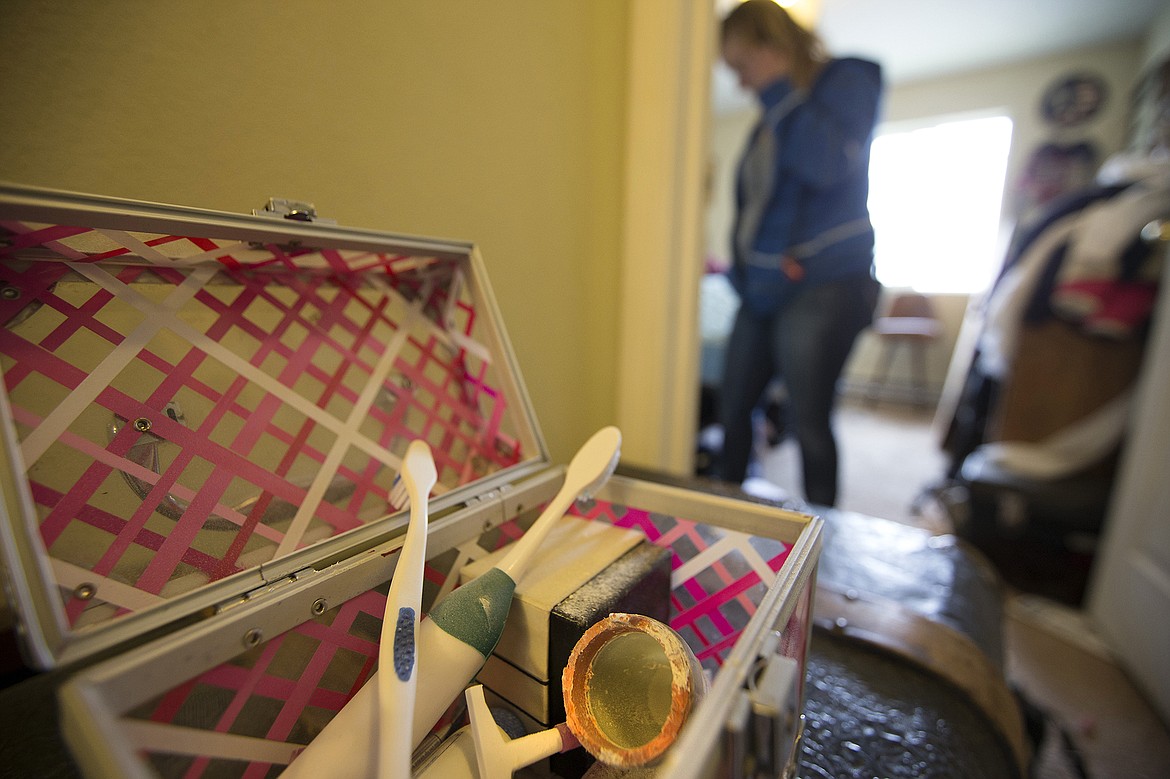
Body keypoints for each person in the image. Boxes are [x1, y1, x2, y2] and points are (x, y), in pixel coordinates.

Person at [715, 0, 883, 506]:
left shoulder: (849, 80)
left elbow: (829, 163)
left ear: (771, 46)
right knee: (732, 410)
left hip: (825, 283)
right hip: (761, 290)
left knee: (810, 421)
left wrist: (778, 86)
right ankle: (722, 517)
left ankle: (824, 543)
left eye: (743, 67)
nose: (743, 85)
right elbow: (751, 211)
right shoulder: (765, 123)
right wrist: (743, 274)